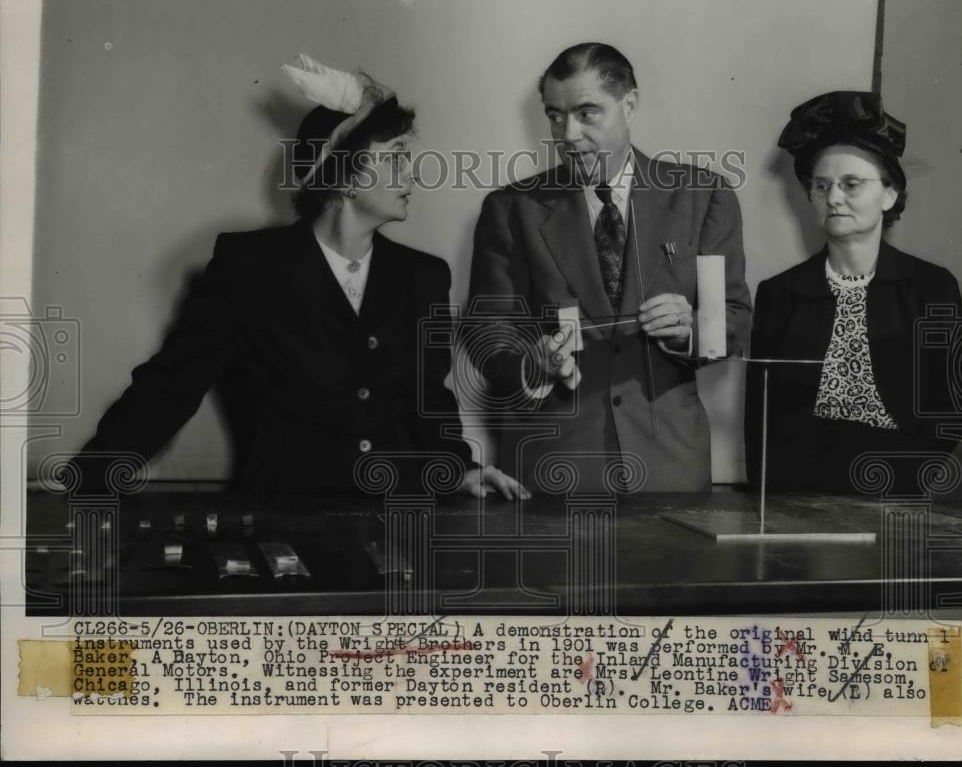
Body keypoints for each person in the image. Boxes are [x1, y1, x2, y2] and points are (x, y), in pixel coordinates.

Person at [68, 55, 526, 499]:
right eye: (395, 158)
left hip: (397, 521)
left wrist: (460, 469)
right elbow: (171, 386)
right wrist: (86, 481)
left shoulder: (423, 276)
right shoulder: (249, 267)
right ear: (345, 175)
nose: (411, 173)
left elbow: (431, 405)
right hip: (284, 515)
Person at [467, 43, 752, 493]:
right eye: (555, 116)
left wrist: (690, 329)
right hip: (553, 468)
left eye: (586, 113)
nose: (568, 134)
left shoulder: (705, 196)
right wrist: (533, 362)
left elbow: (733, 319)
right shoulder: (510, 208)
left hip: (669, 467)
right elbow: (486, 332)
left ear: (630, 104)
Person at [745, 90, 962, 495]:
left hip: (897, 495)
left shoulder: (932, 288)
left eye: (851, 184)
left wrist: (908, 481)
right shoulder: (778, 294)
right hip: (798, 498)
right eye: (821, 185)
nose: (833, 197)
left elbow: (952, 407)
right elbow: (759, 419)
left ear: (889, 194)